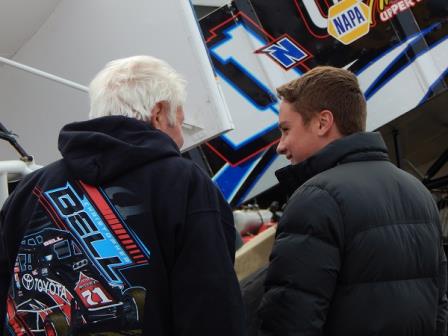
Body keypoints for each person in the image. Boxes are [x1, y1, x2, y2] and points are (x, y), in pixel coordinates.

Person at [0, 55, 245, 335]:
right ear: (159, 113)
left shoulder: (31, 189)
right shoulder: (185, 182)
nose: (180, 140)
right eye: (180, 124)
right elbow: (210, 304)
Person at [258, 66, 448, 335]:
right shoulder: (417, 191)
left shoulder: (315, 199)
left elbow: (290, 320)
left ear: (323, 123)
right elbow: (439, 308)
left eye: (286, 130)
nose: (280, 145)